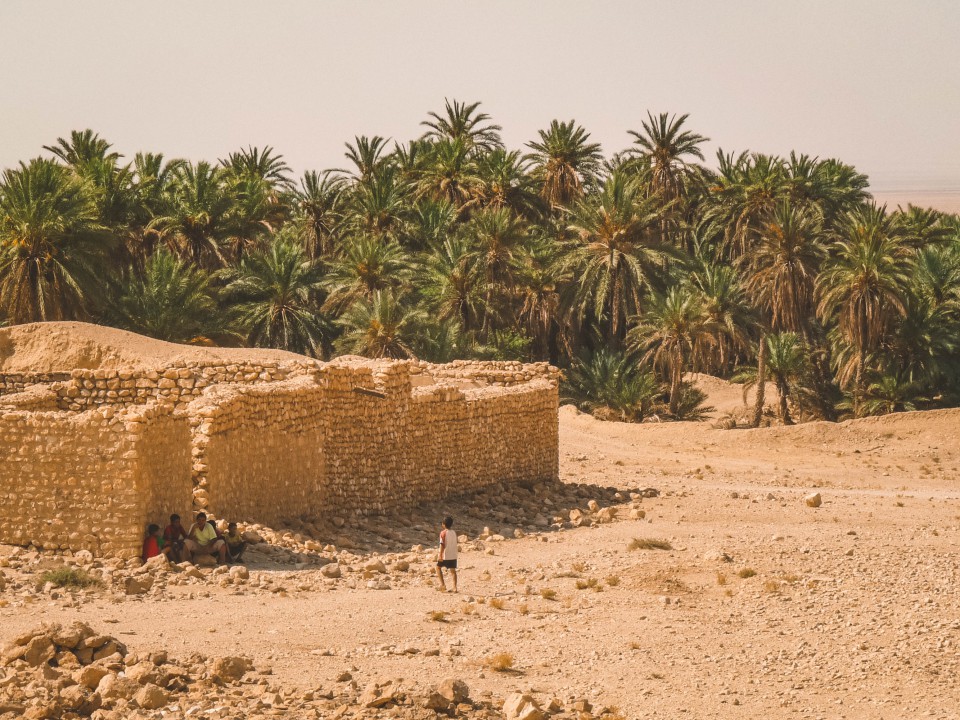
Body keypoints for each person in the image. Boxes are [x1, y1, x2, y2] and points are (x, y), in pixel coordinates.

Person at [435, 516, 458, 593]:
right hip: (453, 555)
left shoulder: (443, 533)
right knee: (453, 571)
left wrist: (440, 555)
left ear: (443, 524)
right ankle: (454, 587)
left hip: (445, 555)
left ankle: (442, 585)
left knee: (438, 568)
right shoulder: (454, 532)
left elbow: (442, 544)